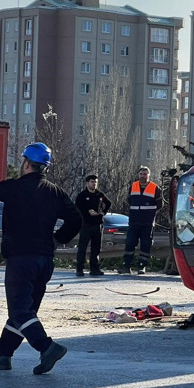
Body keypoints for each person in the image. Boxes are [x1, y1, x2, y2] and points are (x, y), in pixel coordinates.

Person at [0, 142, 82, 374]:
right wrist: (58, 238)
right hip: (44, 260)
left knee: (20, 311)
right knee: (25, 311)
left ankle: (47, 347)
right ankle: (3, 355)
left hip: (20, 259)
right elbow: (76, 219)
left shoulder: (12, 189)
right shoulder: (54, 191)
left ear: (26, 163)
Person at [118, 166, 162, 275]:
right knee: (130, 243)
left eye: (145, 174)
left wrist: (150, 213)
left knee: (145, 244)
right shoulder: (133, 186)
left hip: (147, 222)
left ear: (149, 175)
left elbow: (160, 205)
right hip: (134, 221)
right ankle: (126, 266)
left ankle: (142, 266)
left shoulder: (155, 188)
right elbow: (129, 200)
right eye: (141, 174)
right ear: (138, 175)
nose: (143, 176)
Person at [75, 174, 112, 277]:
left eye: (95, 182)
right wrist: (87, 211)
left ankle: (94, 268)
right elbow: (77, 208)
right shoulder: (82, 195)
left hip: (97, 224)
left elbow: (108, 203)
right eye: (92, 182)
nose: (94, 184)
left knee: (96, 248)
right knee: (82, 247)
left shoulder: (100, 194)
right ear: (87, 183)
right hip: (86, 224)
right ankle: (79, 268)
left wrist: (102, 212)